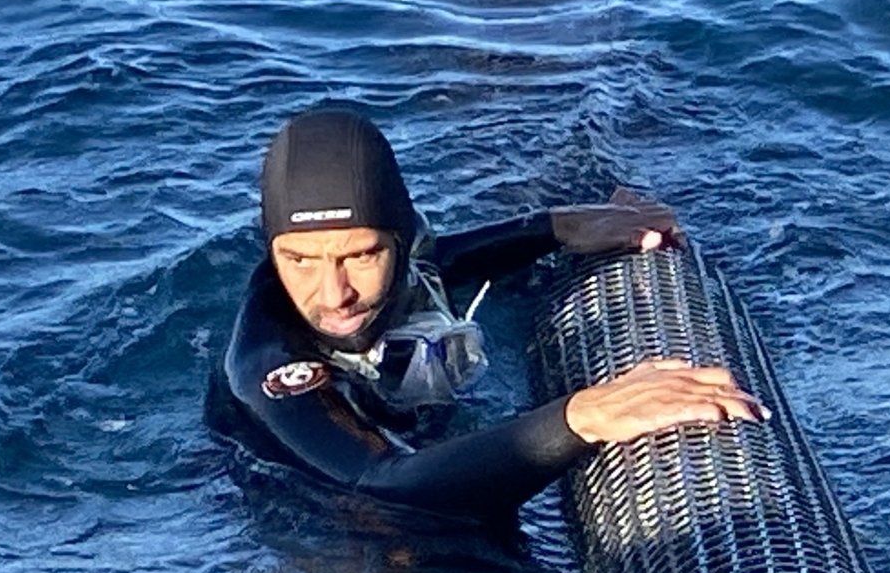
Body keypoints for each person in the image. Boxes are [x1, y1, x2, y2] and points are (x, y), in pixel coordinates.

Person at [208, 108, 764, 518]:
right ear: (271, 250)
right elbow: (382, 482)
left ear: (399, 242)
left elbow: (437, 262)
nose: (334, 294)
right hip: (332, 523)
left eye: (362, 255)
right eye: (299, 260)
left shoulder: (406, 256)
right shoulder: (270, 366)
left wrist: (553, 228)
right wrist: (581, 417)